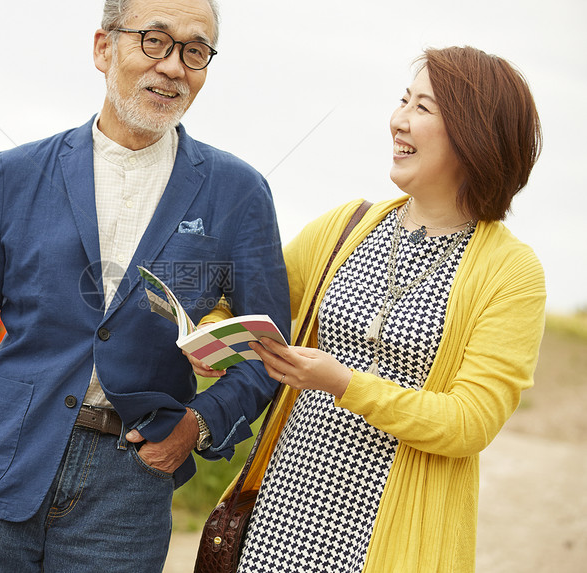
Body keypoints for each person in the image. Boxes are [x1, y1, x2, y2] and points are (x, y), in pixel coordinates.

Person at [0, 0, 290, 571]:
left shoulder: (238, 192)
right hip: (3, 464)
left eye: (195, 51)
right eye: (154, 41)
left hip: (131, 483)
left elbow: (270, 352)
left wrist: (200, 422)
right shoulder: (14, 174)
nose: (173, 67)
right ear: (102, 47)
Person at [190, 46, 544, 572]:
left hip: (386, 536)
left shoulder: (511, 272)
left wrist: (345, 385)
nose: (398, 121)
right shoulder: (346, 226)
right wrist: (212, 337)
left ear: (474, 134)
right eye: (403, 101)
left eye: (423, 108)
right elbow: (244, 301)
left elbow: (471, 421)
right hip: (279, 517)